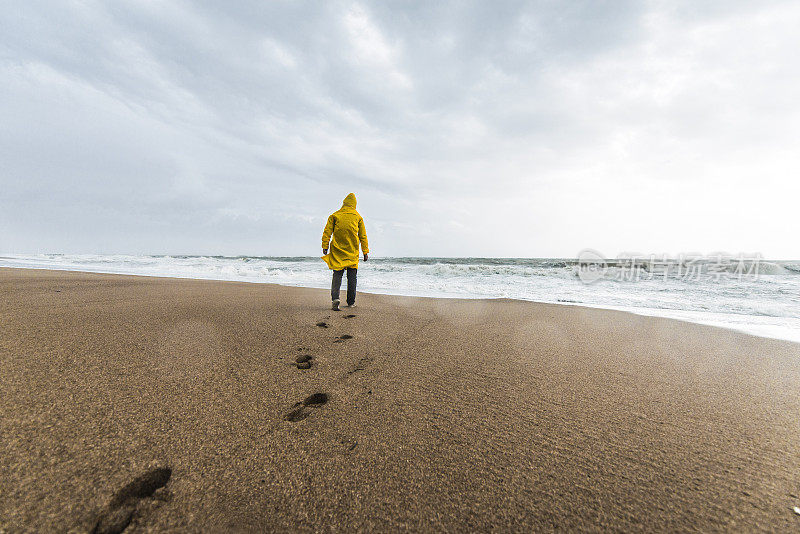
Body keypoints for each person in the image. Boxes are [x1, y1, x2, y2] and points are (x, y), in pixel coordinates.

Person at [321, 193, 369, 310]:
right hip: (352, 252)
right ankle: (351, 302)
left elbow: (327, 231)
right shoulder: (358, 217)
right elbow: (363, 236)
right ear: (354, 205)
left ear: (344, 203)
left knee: (337, 275)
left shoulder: (335, 215)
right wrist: (365, 251)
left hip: (338, 251)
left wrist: (325, 245)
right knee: (352, 278)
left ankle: (335, 298)